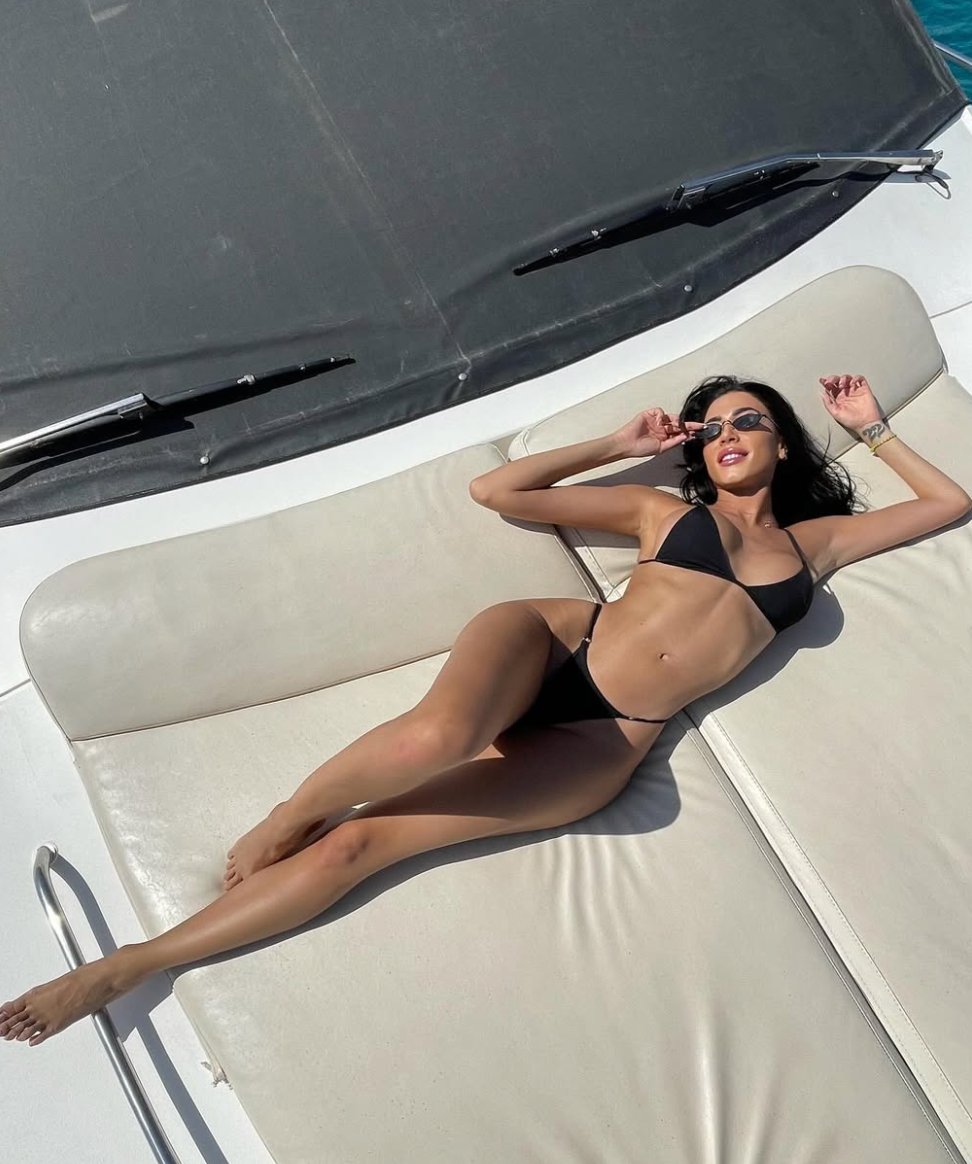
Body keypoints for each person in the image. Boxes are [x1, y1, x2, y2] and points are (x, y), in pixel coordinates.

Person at [2, 373, 969, 1046]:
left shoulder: (815, 546)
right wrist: (620, 446)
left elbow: (947, 504)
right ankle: (290, 811)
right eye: (710, 426)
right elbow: (496, 489)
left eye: (747, 419)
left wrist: (873, 425)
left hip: (608, 741)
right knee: (441, 735)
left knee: (359, 847)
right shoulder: (664, 513)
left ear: (782, 441)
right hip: (561, 641)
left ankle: (129, 966)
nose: (726, 434)